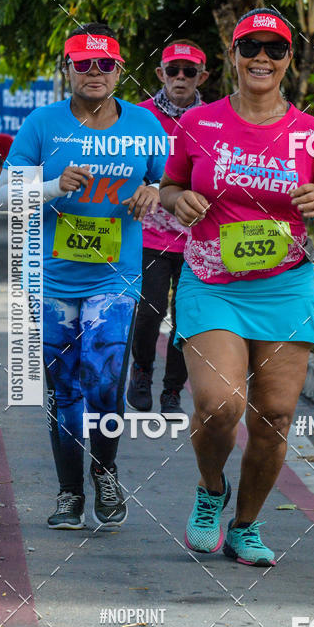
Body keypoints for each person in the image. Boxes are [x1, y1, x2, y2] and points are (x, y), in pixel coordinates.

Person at [160, 8, 314, 566]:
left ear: (289, 59)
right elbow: (172, 186)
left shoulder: (311, 136)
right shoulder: (199, 125)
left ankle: (245, 525)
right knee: (220, 404)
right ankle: (211, 491)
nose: (262, 59)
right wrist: (180, 201)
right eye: (252, 49)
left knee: (273, 418)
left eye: (275, 50)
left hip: (283, 287)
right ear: (234, 55)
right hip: (211, 281)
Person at [0, 23, 168, 529]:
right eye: (83, 63)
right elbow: (3, 198)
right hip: (50, 283)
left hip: (114, 279)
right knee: (63, 389)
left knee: (104, 382)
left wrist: (154, 193)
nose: (95, 72)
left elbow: (168, 183)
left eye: (105, 64)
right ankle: (70, 492)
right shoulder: (42, 124)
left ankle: (106, 471)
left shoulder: (144, 126)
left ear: (119, 69)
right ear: (67, 68)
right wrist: (50, 185)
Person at [127, 41, 209, 415]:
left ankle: (173, 390)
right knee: (150, 311)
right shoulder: (138, 117)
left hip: (198, 237)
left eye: (188, 72)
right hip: (150, 233)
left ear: (201, 77)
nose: (180, 78)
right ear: (160, 74)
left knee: (187, 316)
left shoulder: (214, 120)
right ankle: (141, 371)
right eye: (172, 70)